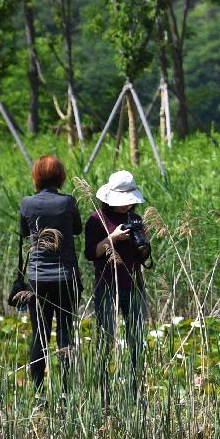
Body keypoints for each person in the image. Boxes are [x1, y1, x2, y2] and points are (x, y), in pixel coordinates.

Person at [19, 155, 82, 400]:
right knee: (65, 333)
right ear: (61, 176)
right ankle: (67, 393)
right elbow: (77, 229)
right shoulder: (68, 202)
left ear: (36, 176)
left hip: (38, 278)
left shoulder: (27, 203)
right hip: (66, 276)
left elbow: (24, 232)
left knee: (39, 334)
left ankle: (38, 395)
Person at [84, 170, 148, 403]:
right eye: (124, 202)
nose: (127, 206)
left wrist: (144, 241)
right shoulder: (95, 219)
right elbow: (91, 253)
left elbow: (143, 255)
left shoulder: (136, 218)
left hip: (134, 285)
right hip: (107, 286)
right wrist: (113, 238)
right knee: (105, 340)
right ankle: (104, 395)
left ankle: (135, 392)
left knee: (136, 340)